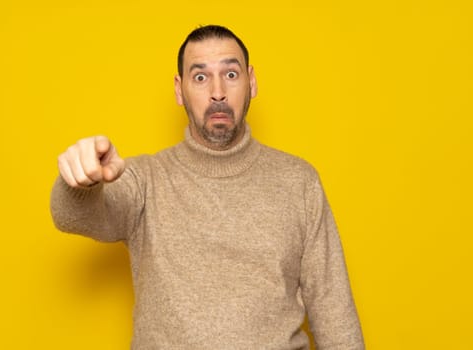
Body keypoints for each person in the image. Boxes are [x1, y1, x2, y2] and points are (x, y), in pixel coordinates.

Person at [50, 25, 365, 350]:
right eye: (200, 77)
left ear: (251, 81)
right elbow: (73, 215)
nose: (218, 92)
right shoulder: (144, 179)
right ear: (179, 89)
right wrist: (80, 181)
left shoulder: (299, 182)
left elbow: (334, 314)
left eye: (230, 74)